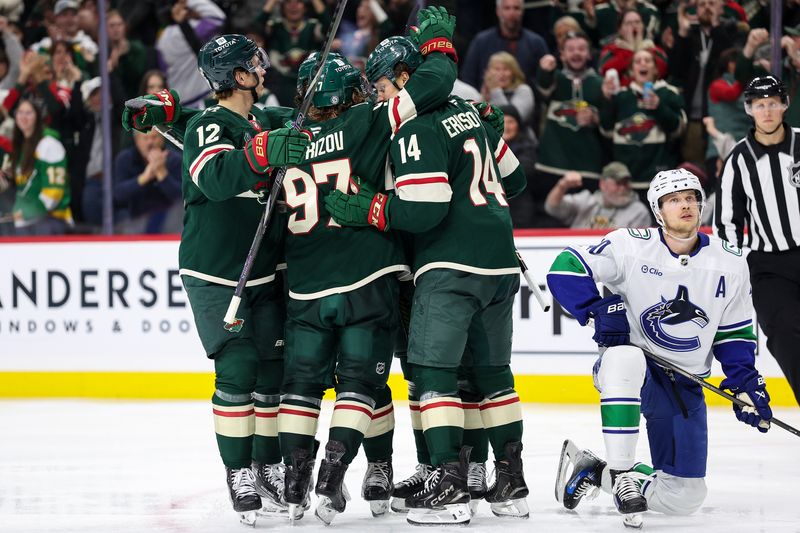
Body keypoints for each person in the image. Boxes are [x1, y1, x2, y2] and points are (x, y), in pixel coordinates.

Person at [326, 33, 530, 527]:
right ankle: (509, 482)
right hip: (500, 265)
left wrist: (369, 208)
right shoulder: (471, 111)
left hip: (450, 266)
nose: (377, 96)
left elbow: (424, 208)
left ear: (402, 77)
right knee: (492, 375)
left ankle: (449, 483)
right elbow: (517, 181)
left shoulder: (414, 128)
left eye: (379, 86)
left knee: (433, 373)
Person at [273, 14, 458, 524]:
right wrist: (437, 44)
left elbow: (245, 125)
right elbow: (436, 84)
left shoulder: (283, 136)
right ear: (353, 90)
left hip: (306, 284)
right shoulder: (373, 119)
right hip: (367, 275)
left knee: (301, 388)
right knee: (362, 385)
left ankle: (294, 488)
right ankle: (333, 476)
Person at [124, 34, 310, 524]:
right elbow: (215, 178)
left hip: (264, 267)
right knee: (238, 368)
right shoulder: (210, 124)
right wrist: (260, 153)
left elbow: (296, 126)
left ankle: (266, 465)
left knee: (273, 369)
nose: (263, 68)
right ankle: (239, 472)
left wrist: (167, 109)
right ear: (235, 76)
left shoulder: (260, 118)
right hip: (214, 271)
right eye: (253, 64)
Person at [548, 168, 773, 528]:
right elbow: (565, 267)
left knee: (684, 497)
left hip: (685, 384)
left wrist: (744, 381)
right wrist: (597, 308)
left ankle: (596, 472)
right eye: (673, 200)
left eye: (691, 198)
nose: (684, 205)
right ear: (658, 210)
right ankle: (622, 474)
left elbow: (733, 332)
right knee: (624, 355)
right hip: (635, 373)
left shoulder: (730, 262)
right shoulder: (629, 245)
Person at [715, 76, 800, 406]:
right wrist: (736, 268)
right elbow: (727, 222)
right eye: (760, 105)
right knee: (785, 335)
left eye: (773, 103)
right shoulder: (739, 159)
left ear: (784, 105)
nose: (767, 111)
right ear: (750, 109)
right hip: (769, 267)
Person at [600, 49, 686, 200]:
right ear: (632, 70)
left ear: (655, 69)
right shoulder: (621, 96)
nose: (643, 64)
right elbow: (606, 130)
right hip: (627, 181)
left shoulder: (668, 93)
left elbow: (678, 130)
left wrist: (659, 107)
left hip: (659, 180)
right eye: (638, 61)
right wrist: (607, 99)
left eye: (647, 60)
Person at [535, 30, 603, 214]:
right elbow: (543, 89)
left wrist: (596, 118)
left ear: (589, 54)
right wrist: (544, 70)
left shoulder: (599, 83)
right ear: (562, 54)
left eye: (581, 49)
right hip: (552, 165)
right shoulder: (555, 77)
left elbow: (611, 123)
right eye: (571, 49)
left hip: (588, 168)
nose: (576, 53)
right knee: (550, 215)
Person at [9, 98, 72, 235]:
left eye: (28, 113)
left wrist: (27, 212)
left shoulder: (49, 145)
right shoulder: (21, 146)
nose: (23, 117)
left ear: (38, 117)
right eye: (20, 112)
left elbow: (53, 194)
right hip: (25, 222)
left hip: (51, 220)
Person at [460, 0, 548, 89]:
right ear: (498, 11)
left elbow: (544, 83)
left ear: (522, 11)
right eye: (507, 8)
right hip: (485, 99)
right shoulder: (481, 41)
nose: (512, 13)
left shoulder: (536, 42)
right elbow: (468, 77)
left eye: (516, 8)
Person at [113, 128, 182, 233]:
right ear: (136, 140)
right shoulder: (125, 159)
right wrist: (145, 177)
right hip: (134, 219)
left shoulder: (175, 159)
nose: (150, 142)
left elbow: (181, 199)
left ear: (163, 138)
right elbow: (118, 194)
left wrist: (161, 173)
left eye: (154, 137)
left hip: (169, 220)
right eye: (145, 138)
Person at [545, 161, 652, 229]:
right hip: (578, 255)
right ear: (602, 184)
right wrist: (562, 185)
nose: (623, 188)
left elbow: (636, 247)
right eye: (618, 183)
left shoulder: (638, 211)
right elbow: (552, 208)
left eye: (626, 183)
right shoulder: (586, 200)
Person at [598, 9, 668, 88]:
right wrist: (630, 50)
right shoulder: (611, 49)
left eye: (637, 22)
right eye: (628, 23)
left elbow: (662, 69)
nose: (634, 26)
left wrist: (639, 49)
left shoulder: (652, 48)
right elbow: (605, 71)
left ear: (643, 26)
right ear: (620, 30)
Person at [480, 51, 535, 127]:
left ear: (514, 72)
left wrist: (495, 90)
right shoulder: (486, 92)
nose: (501, 74)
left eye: (506, 69)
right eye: (497, 69)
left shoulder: (524, 90)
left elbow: (508, 120)